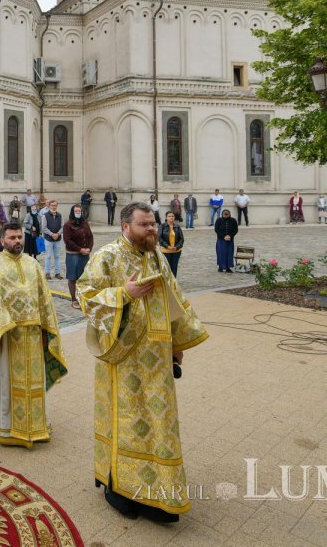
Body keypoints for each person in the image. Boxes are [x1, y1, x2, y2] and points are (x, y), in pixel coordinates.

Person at [79, 202, 209, 523]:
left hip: (158, 361)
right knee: (128, 422)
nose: (152, 229)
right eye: (144, 225)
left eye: (153, 224)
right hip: (123, 360)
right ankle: (119, 488)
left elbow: (175, 299)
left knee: (159, 424)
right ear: (126, 227)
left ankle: (157, 493)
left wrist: (178, 345)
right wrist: (124, 293)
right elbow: (85, 296)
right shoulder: (107, 257)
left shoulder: (158, 257)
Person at [0, 221, 68, 447]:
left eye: (20, 237)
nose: (17, 241)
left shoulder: (33, 264)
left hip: (34, 334)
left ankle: (36, 425)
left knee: (34, 383)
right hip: (6, 336)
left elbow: (44, 300)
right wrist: (4, 323)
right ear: (2, 240)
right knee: (6, 381)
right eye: (12, 238)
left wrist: (47, 328)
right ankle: (6, 426)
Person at [63, 204, 93, 309]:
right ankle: (74, 299)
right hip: (73, 255)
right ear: (72, 212)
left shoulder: (85, 223)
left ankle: (83, 298)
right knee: (73, 277)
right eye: (76, 211)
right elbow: (67, 240)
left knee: (84, 278)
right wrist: (79, 249)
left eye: (79, 211)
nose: (78, 213)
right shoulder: (68, 225)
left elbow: (90, 236)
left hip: (85, 254)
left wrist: (89, 248)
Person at [41, 199, 65, 280]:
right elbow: (44, 228)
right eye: (52, 205)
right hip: (48, 239)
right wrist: (52, 234)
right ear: (49, 206)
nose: (54, 207)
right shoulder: (45, 215)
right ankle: (47, 273)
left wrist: (58, 234)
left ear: (57, 206)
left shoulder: (60, 215)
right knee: (48, 256)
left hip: (57, 239)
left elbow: (62, 226)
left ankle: (57, 273)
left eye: (55, 205)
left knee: (57, 256)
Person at [159, 210, 185, 277]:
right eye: (169, 216)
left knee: (174, 267)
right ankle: (167, 282)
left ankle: (173, 283)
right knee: (166, 268)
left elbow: (181, 239)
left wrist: (177, 247)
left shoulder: (177, 226)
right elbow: (159, 238)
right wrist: (167, 246)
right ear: (166, 218)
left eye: (173, 216)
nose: (171, 217)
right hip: (165, 251)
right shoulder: (162, 226)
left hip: (176, 251)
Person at [214, 209, 238, 273]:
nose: (226, 215)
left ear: (229, 214)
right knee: (221, 253)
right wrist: (223, 236)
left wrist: (230, 236)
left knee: (229, 253)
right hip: (221, 240)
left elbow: (235, 230)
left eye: (227, 214)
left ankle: (228, 267)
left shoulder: (233, 220)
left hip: (230, 240)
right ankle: (221, 267)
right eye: (224, 214)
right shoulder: (219, 220)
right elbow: (216, 230)